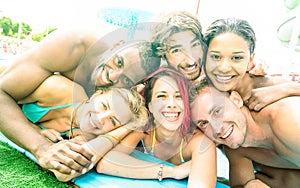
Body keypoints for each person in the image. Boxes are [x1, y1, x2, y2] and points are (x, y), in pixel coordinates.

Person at [0, 26, 160, 177]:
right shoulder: (72, 44)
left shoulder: (110, 108)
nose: (111, 77)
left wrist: (131, 125)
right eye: (119, 62)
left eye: (125, 79)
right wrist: (41, 146)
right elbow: (2, 92)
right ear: (117, 45)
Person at [96, 66, 217, 187]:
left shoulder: (201, 142)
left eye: (179, 96)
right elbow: (106, 163)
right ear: (150, 106)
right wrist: (172, 172)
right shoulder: (145, 129)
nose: (171, 104)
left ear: (187, 105)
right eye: (161, 96)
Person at [19, 73, 149, 182]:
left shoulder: (86, 136)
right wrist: (34, 130)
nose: (100, 118)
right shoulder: (59, 88)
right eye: (104, 105)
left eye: (113, 121)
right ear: (96, 95)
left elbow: (64, 174)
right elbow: (5, 98)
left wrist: (128, 127)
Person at [189, 75, 300, 188]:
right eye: (203, 123)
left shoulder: (288, 120)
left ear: (236, 100)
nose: (216, 128)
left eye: (217, 112)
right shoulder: (235, 148)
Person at [203, 18, 300, 111]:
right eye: (215, 57)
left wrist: (284, 90)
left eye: (236, 58)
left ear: (250, 60)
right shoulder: (201, 85)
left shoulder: (264, 86)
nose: (224, 68)